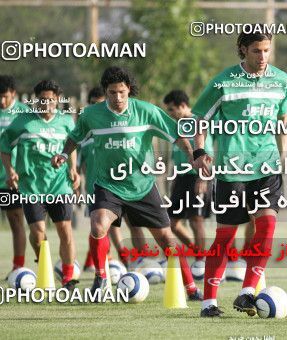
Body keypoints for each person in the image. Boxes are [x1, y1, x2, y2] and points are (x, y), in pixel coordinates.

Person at [51, 66, 201, 300]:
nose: (118, 98)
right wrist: (63, 154)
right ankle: (101, 279)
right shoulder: (91, 115)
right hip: (108, 184)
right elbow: (74, 137)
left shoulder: (147, 111)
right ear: (105, 92)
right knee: (99, 225)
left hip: (141, 185)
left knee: (166, 238)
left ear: (129, 90)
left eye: (122, 92)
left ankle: (191, 288)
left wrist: (192, 155)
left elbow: (177, 134)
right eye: (112, 92)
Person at [192, 27, 287, 317]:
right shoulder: (224, 82)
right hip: (232, 169)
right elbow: (200, 119)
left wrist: (282, 157)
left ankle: (247, 291)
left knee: (268, 227)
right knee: (226, 237)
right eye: (256, 51)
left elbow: (282, 120)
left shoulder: (282, 81)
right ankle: (209, 301)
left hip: (267, 167)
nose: (263, 57)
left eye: (267, 50)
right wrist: (199, 151)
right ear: (243, 50)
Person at [0, 79, 80, 290]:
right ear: (36, 100)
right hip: (32, 187)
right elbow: (4, 147)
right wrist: (10, 171)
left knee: (65, 230)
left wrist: (73, 169)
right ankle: (42, 261)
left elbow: (71, 146)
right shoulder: (23, 122)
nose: (47, 104)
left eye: (51, 100)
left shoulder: (66, 122)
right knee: (37, 233)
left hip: (59, 186)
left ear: (57, 100)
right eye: (43, 100)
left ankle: (68, 278)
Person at [79, 86, 145, 270]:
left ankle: (139, 259)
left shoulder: (122, 127)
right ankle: (117, 260)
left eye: (100, 103)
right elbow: (81, 164)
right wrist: (83, 185)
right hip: (100, 189)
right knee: (105, 227)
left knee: (133, 224)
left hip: (127, 186)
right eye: (93, 104)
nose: (98, 107)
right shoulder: (85, 137)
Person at [163, 89, 213, 263]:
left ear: (182, 106)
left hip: (197, 178)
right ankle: (198, 254)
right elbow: (177, 156)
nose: (170, 113)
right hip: (181, 179)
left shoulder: (198, 123)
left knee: (196, 220)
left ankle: (201, 263)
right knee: (172, 223)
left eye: (171, 109)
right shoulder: (177, 127)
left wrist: (203, 178)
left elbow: (208, 154)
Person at [0, 75, 29, 278]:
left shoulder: (24, 113)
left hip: (13, 179)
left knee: (16, 221)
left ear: (14, 94)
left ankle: (19, 267)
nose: (2, 101)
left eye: (5, 97)